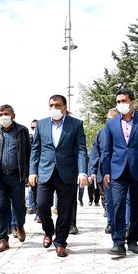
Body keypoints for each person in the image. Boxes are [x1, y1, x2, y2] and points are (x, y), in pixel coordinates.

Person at [29, 94, 88, 257]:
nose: (54, 108)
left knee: (65, 209)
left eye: (57, 105)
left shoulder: (76, 124)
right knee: (41, 204)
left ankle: (60, 242)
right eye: (51, 105)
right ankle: (48, 231)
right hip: (45, 172)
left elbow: (81, 149)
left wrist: (83, 171)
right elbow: (36, 150)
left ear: (64, 107)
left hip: (67, 173)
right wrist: (32, 171)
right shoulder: (41, 125)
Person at [103, 88, 138, 256]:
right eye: (118, 102)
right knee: (118, 204)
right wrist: (106, 171)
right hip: (117, 171)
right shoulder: (111, 123)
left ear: (132, 102)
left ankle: (133, 240)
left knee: (136, 206)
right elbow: (107, 150)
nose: (121, 104)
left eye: (124, 101)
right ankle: (118, 243)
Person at [0, 104, 31, 252]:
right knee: (0, 208)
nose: (3, 117)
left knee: (19, 206)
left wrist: (28, 173)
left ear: (13, 116)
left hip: (17, 176)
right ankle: (3, 239)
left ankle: (19, 225)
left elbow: (28, 154)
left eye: (6, 114)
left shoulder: (22, 131)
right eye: (1, 114)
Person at [89, 108, 118, 233]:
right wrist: (92, 172)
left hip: (120, 170)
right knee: (106, 198)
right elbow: (95, 153)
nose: (109, 122)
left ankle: (124, 226)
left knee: (121, 200)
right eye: (108, 119)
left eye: (112, 119)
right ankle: (110, 223)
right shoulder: (102, 133)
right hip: (104, 170)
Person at [27, 120, 40, 223]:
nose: (34, 130)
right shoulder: (28, 139)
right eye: (33, 128)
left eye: (36, 127)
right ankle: (37, 213)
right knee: (34, 192)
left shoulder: (44, 137)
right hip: (32, 171)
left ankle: (41, 214)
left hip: (44, 170)